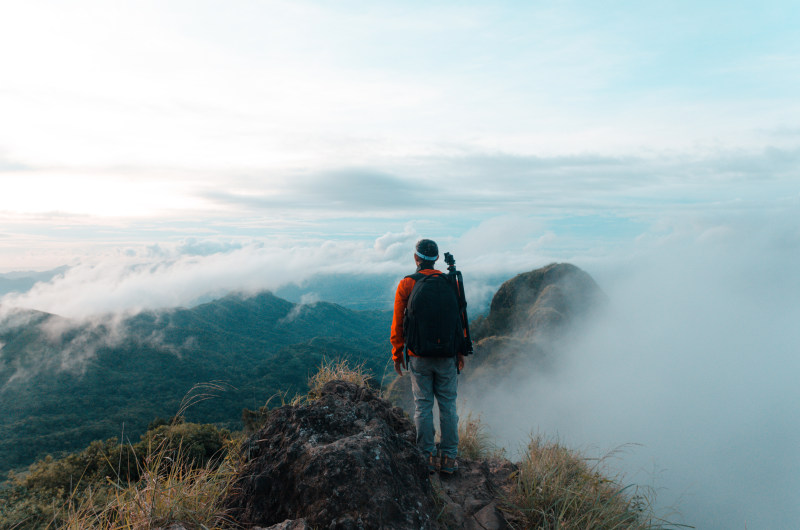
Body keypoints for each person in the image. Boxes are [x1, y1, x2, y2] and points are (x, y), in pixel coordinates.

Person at [391, 238, 465, 475]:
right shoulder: (449, 282)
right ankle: (450, 459)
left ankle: (427, 456)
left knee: (423, 405)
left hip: (418, 355)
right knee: (448, 406)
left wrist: (397, 352)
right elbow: (460, 318)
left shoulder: (406, 284)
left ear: (416, 258)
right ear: (435, 260)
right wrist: (460, 350)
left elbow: (398, 322)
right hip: (447, 355)